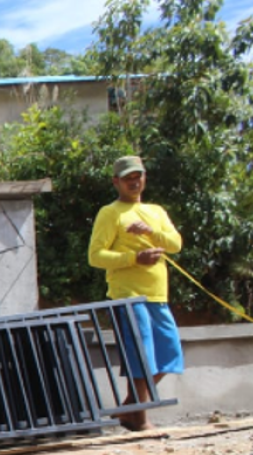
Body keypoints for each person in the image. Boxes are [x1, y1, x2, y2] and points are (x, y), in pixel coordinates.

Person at [88, 155, 184, 432]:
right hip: (128, 295)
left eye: (138, 176)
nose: (134, 181)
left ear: (145, 178)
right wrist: (134, 258)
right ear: (116, 182)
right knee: (141, 355)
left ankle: (129, 408)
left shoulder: (156, 212)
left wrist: (152, 233)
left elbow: (176, 244)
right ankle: (141, 419)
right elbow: (96, 256)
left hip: (157, 295)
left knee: (170, 353)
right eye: (128, 178)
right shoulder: (110, 213)